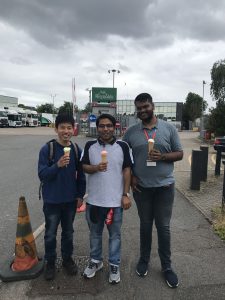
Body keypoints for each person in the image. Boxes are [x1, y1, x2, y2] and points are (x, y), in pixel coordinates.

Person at [123, 93, 183, 288]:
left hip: (165, 187)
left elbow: (180, 153)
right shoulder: (131, 132)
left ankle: (167, 267)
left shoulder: (169, 128)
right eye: (139, 108)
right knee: (145, 226)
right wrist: (131, 178)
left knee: (163, 228)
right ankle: (144, 260)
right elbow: (124, 159)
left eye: (145, 107)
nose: (142, 111)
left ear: (153, 106)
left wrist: (163, 157)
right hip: (142, 189)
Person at [81, 113, 133, 284]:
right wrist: (96, 167)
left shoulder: (123, 146)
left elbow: (127, 170)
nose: (105, 129)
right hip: (94, 201)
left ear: (114, 127)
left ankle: (114, 264)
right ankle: (95, 261)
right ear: (97, 127)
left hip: (115, 202)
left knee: (115, 236)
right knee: (95, 234)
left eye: (109, 125)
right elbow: (84, 167)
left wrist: (125, 194)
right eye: (102, 126)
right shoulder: (90, 145)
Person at [38, 113, 86, 280]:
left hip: (70, 201)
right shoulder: (47, 149)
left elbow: (81, 175)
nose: (66, 131)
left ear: (73, 129)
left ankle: (67, 259)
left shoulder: (75, 149)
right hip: (52, 201)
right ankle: (50, 262)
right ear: (56, 129)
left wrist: (80, 195)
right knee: (50, 233)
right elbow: (42, 175)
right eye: (62, 127)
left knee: (68, 232)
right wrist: (57, 165)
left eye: (69, 127)